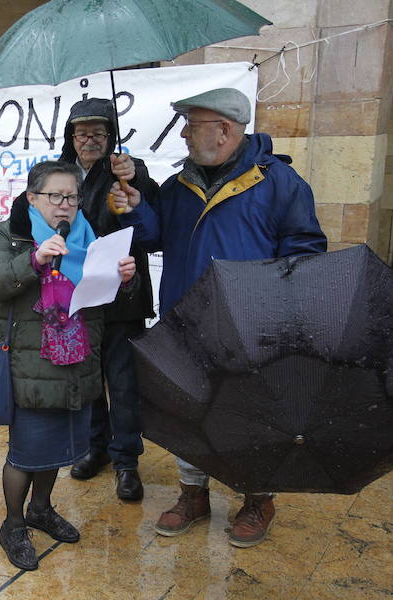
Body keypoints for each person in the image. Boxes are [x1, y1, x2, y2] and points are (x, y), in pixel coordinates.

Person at [110, 88, 327, 548]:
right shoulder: (177, 186)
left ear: (225, 129)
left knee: (255, 415)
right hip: (185, 323)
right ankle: (194, 493)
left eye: (193, 125)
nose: (185, 135)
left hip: (253, 328)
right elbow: (154, 238)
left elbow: (306, 251)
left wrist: (277, 304)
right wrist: (134, 208)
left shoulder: (281, 184)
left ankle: (257, 497)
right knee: (188, 410)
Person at [0, 160, 136, 570]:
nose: (65, 206)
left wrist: (125, 279)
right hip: (29, 364)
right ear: (32, 198)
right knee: (26, 451)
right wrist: (33, 260)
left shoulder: (90, 239)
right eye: (55, 197)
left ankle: (41, 509)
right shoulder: (9, 236)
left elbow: (102, 301)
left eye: (72, 197)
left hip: (77, 362)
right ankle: (14, 524)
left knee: (57, 449)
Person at [59, 98, 160, 501]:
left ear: (110, 137)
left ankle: (126, 462)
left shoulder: (129, 172)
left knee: (122, 383)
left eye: (98, 133)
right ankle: (94, 448)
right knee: (86, 383)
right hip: (78, 297)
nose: (90, 140)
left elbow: (150, 223)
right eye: (82, 133)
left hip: (121, 296)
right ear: (71, 137)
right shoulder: (59, 175)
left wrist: (133, 181)